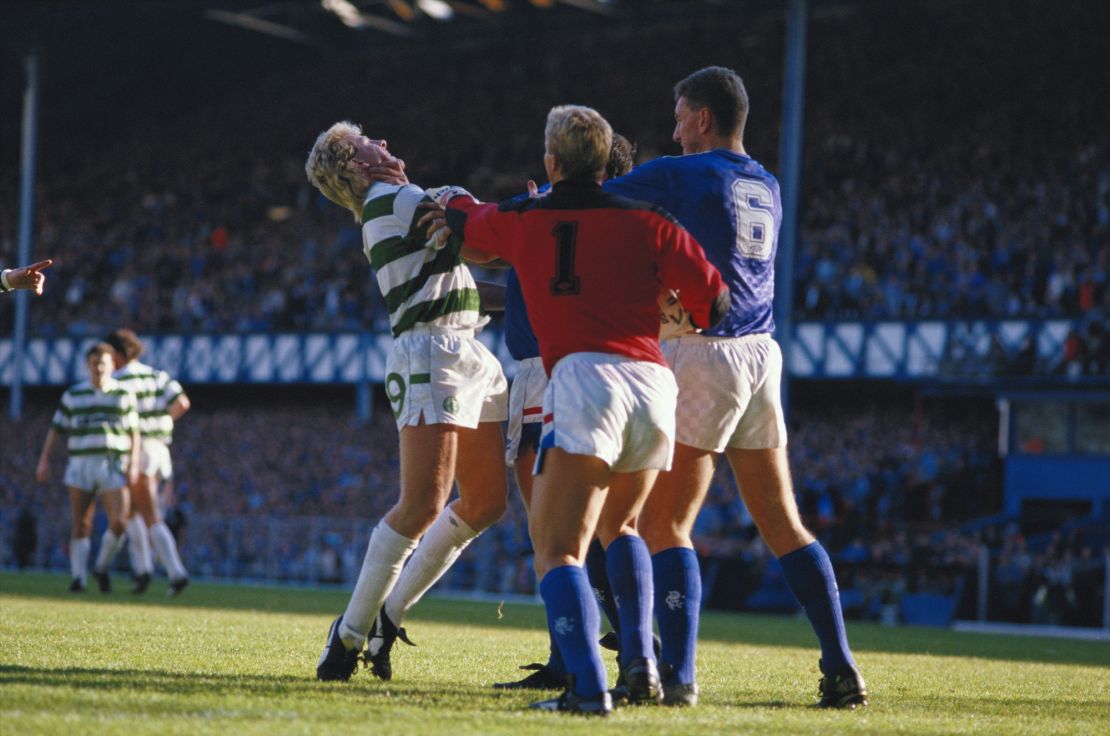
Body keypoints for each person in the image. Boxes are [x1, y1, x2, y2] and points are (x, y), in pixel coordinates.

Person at [443, 104, 728, 715]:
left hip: (582, 379)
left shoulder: (527, 216)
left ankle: (588, 688)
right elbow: (715, 300)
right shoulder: (651, 219)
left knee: (557, 549)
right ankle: (642, 666)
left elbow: (468, 225)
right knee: (621, 528)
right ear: (606, 164)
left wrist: (441, 206)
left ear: (552, 163)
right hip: (654, 384)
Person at [603, 66, 868, 708]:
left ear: (701, 118)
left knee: (664, 522)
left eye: (679, 116)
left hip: (705, 353)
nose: (673, 130)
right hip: (761, 352)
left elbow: (596, 198)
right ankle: (842, 667)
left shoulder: (687, 170)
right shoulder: (767, 182)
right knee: (782, 522)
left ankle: (681, 674)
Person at [305, 122, 509, 683]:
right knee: (422, 503)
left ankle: (386, 618)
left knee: (488, 501)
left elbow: (470, 283)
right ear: (354, 164)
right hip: (433, 352)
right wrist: (538, 227)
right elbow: (486, 246)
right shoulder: (397, 199)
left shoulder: (393, 205)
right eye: (371, 142)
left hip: (464, 346)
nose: (387, 144)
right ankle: (347, 634)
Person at [492, 134, 647, 691]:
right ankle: (633, 641)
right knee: (606, 526)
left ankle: (580, 658)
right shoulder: (623, 225)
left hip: (547, 370)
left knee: (553, 533)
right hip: (616, 377)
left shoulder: (552, 218)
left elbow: (473, 228)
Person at [35, 342, 140, 593]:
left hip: (112, 464)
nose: (99, 368)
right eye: (94, 363)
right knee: (81, 523)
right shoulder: (73, 395)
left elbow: (134, 432)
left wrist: (133, 462)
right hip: (81, 464)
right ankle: (78, 578)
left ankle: (101, 567)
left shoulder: (123, 395)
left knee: (119, 522)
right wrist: (44, 459)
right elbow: (56, 429)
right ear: (87, 365)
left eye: (103, 363)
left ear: (112, 365)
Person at [104, 328, 192, 596]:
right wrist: (162, 421)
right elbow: (182, 403)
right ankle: (142, 571)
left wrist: (140, 430)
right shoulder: (157, 375)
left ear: (118, 355)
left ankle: (174, 573)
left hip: (136, 450)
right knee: (134, 512)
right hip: (159, 449)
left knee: (148, 514)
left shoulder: (117, 379)